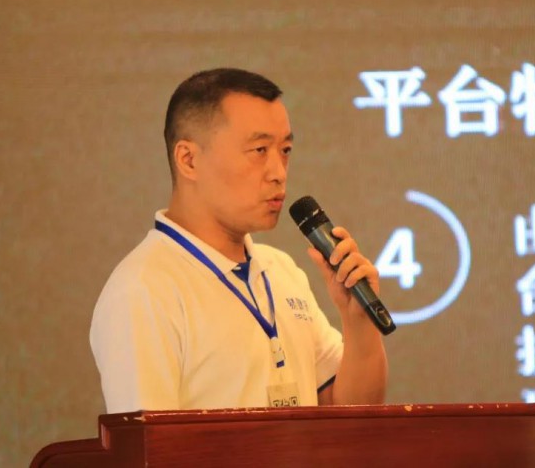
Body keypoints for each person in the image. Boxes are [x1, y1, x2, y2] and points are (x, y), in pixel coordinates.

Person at [90, 68, 388, 413]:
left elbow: (351, 415)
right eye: (259, 149)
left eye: (285, 150)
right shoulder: (144, 289)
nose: (279, 172)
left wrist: (358, 322)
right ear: (189, 160)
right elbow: (147, 441)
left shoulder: (282, 270)